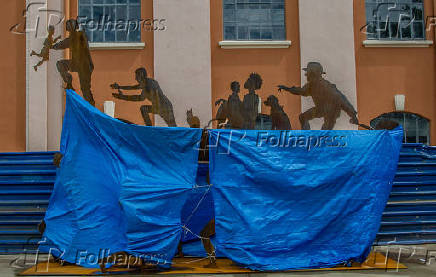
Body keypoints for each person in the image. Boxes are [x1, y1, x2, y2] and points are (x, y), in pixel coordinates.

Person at [278, 62, 358, 130]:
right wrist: (287, 88)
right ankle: (307, 136)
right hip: (321, 108)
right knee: (303, 117)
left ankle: (322, 141)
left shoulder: (326, 86)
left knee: (325, 132)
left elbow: (341, 99)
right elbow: (301, 91)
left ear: (313, 73)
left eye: (307, 72)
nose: (306, 75)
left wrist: (353, 115)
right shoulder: (312, 85)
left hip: (331, 111)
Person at [111, 67, 177, 127]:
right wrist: (120, 89)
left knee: (172, 126)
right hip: (158, 107)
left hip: (165, 107)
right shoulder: (145, 84)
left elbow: (144, 97)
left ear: (141, 75)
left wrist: (121, 96)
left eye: (137, 76)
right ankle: (149, 127)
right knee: (143, 108)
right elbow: (134, 89)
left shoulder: (150, 84)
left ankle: (149, 128)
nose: (135, 78)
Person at [53, 19, 95, 106]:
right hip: (77, 63)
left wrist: (53, 46)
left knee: (85, 89)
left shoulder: (79, 36)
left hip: (85, 66)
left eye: (70, 26)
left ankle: (91, 107)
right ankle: (68, 82)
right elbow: (65, 43)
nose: (69, 29)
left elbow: (65, 43)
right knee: (61, 64)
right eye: (68, 27)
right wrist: (54, 46)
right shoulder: (75, 36)